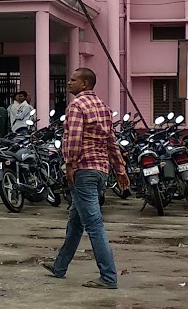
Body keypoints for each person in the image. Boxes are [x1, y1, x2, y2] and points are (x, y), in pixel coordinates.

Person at [41, 69, 127, 290]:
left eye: (73, 80)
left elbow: (73, 139)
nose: (69, 82)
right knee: (76, 221)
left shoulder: (76, 106)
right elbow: (111, 141)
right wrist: (120, 169)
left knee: (94, 224)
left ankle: (108, 277)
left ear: (85, 84)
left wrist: (70, 164)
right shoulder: (103, 107)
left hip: (83, 170)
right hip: (101, 171)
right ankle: (60, 266)